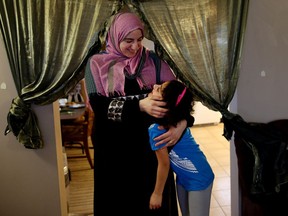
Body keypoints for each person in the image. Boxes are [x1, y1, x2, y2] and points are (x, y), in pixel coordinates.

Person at [84, 12, 194, 215]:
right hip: (114, 154)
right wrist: (140, 106)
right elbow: (98, 106)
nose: (135, 47)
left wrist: (183, 123)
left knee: (154, 204)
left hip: (151, 154)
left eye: (139, 40)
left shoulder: (154, 62)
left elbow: (180, 96)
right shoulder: (96, 64)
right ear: (115, 37)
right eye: (128, 40)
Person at [148, 80, 215, 216]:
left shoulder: (157, 129)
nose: (154, 86)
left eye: (159, 88)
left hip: (200, 177)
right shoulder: (175, 119)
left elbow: (164, 164)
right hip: (183, 177)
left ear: (165, 103)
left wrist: (157, 194)